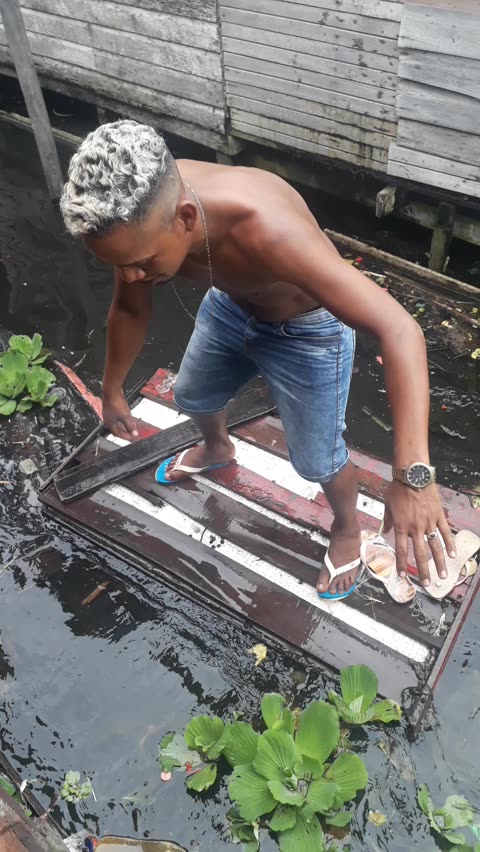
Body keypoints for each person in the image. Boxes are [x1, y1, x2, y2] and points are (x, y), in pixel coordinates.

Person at [61, 120, 455, 599]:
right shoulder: (138, 214)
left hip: (308, 329)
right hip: (230, 306)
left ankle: (347, 525)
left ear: (186, 218)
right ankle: (217, 447)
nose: (130, 276)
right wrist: (111, 390)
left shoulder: (267, 229)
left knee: (317, 460)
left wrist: (413, 476)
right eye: (119, 264)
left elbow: (400, 329)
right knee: (192, 394)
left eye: (141, 262)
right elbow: (128, 307)